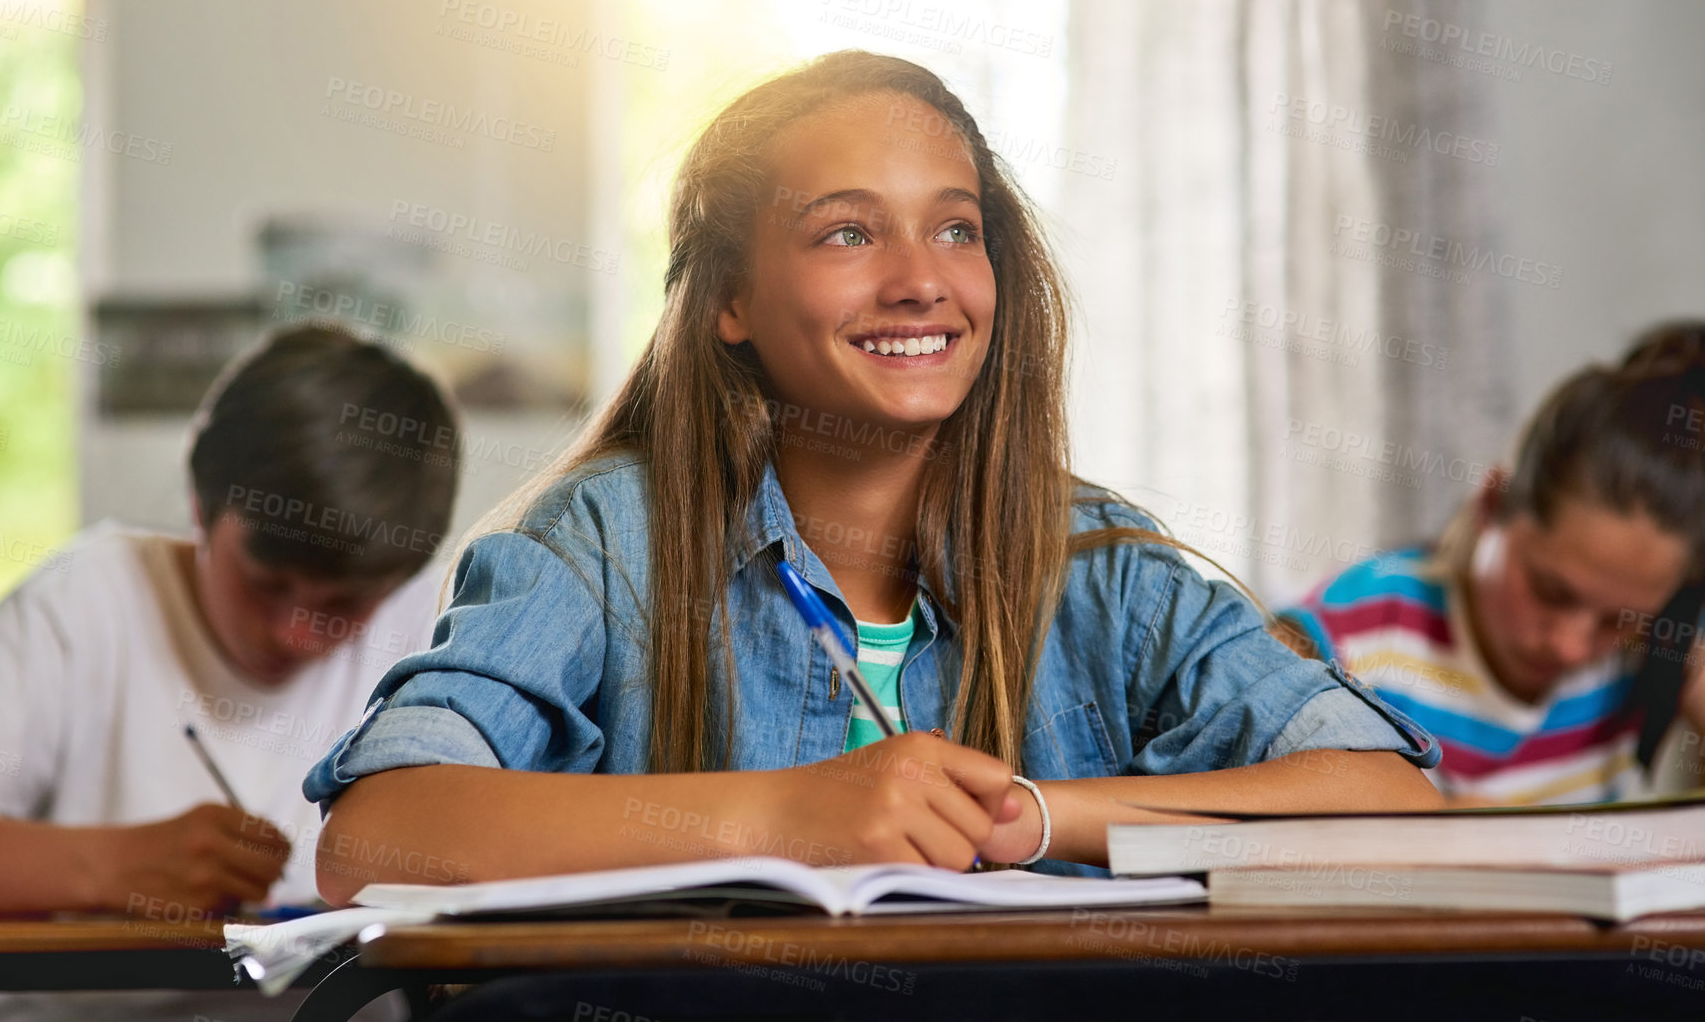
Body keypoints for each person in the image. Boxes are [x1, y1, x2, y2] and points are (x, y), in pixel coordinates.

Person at [309, 51, 1441, 903]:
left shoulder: (1104, 566)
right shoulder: (605, 542)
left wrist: (1031, 817)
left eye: (956, 231)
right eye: (849, 235)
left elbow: (1387, 803)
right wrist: (795, 814)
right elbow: (377, 837)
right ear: (728, 302)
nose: (919, 282)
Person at [0, 325, 460, 919]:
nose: (296, 634)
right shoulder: (80, 606)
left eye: (343, 606)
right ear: (200, 504)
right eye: (265, 586)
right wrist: (106, 866)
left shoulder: (434, 633)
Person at [1280, 321, 1705, 806]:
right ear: (1492, 503)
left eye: (1616, 620)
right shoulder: (1353, 636)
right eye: (1550, 590)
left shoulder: (1657, 643)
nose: (1568, 646)